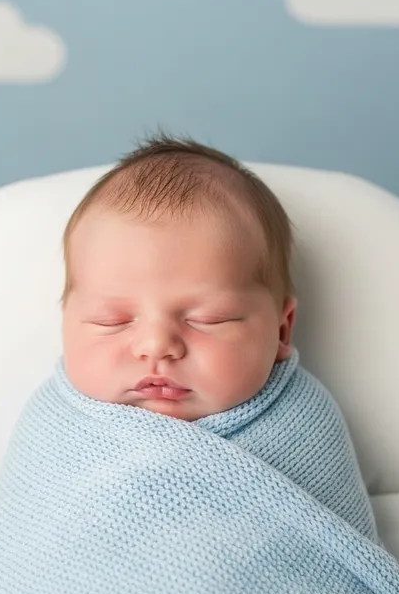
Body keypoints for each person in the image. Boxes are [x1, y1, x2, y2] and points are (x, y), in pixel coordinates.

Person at [59, 130, 297, 422]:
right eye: (111, 320)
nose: (156, 345)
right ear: (66, 324)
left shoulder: (306, 426)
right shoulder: (48, 428)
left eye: (209, 319)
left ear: (282, 330)